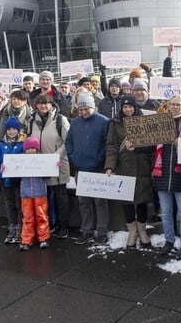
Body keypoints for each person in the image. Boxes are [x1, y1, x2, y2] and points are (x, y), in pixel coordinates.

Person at [105, 96, 154, 248]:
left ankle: (142, 230)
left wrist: (153, 167)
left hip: (142, 164)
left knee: (142, 200)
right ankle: (132, 231)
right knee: (127, 201)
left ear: (135, 107)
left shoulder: (143, 120)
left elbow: (151, 143)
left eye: (130, 107)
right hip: (123, 166)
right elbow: (112, 146)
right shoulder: (115, 123)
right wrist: (110, 167)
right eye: (125, 107)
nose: (128, 110)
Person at [153, 94, 181, 258]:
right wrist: (134, 146)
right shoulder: (161, 123)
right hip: (162, 172)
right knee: (165, 212)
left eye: (179, 104)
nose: (175, 107)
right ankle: (169, 241)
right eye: (172, 104)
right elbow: (149, 144)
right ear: (168, 105)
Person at [66, 93, 111, 244]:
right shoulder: (75, 123)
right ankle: (87, 230)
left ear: (93, 107)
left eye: (86, 109)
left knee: (100, 201)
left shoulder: (104, 122)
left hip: (97, 167)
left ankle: (102, 231)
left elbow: (107, 144)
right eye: (81, 109)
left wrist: (99, 158)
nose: (84, 112)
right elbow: (69, 142)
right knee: (83, 201)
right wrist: (74, 157)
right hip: (81, 168)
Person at [27, 93, 72, 239]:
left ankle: (63, 225)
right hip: (40, 165)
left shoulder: (60, 120)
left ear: (51, 104)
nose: (43, 106)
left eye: (46, 103)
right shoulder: (32, 120)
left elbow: (68, 142)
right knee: (44, 197)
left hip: (57, 163)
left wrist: (56, 157)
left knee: (60, 196)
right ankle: (49, 223)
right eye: (40, 103)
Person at [0, 116, 25, 243]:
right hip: (5, 180)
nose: (11, 131)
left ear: (18, 129)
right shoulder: (1, 144)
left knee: (19, 204)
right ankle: (12, 225)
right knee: (9, 203)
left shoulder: (22, 142)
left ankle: (20, 226)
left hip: (18, 180)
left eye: (14, 129)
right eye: (9, 129)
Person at [15, 136, 52, 250]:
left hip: (40, 192)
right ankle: (26, 239)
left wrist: (53, 166)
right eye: (28, 148)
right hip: (25, 194)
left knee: (42, 216)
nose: (31, 151)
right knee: (27, 217)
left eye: (33, 148)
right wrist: (5, 168)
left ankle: (43, 237)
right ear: (25, 150)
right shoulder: (20, 162)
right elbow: (15, 176)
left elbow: (48, 175)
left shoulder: (41, 161)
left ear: (37, 150)